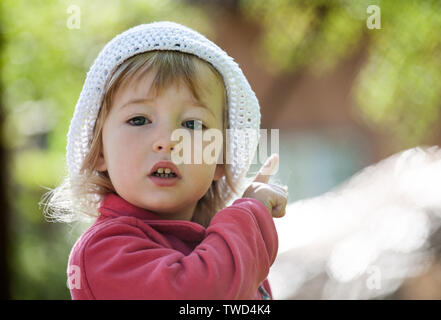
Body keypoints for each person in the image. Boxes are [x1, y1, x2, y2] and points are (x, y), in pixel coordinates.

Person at [41, 21, 288, 299]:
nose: (168, 140)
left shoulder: (222, 243)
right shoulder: (103, 250)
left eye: (192, 124)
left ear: (220, 158)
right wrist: (250, 215)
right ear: (99, 152)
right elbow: (201, 293)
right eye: (139, 119)